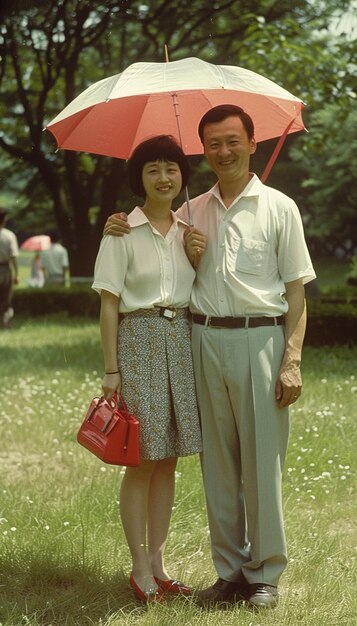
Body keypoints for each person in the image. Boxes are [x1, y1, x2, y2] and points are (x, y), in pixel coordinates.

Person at [104, 105, 316, 609]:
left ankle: (265, 572)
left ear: (252, 144)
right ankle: (229, 570)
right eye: (213, 144)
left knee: (263, 462)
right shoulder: (190, 210)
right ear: (204, 149)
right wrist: (120, 221)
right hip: (202, 341)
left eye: (232, 141)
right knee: (217, 464)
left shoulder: (280, 207)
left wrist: (291, 359)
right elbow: (149, 229)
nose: (223, 151)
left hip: (260, 340)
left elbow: (297, 292)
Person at [92, 135, 202, 603]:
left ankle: (160, 563)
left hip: (181, 344)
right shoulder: (121, 232)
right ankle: (139, 569)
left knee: (170, 458)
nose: (164, 177)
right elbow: (108, 304)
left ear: (182, 176)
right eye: (153, 168)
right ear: (139, 177)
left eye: (172, 168)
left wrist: (198, 253)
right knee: (142, 459)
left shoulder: (189, 230)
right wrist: (112, 370)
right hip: (138, 345)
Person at [0, 209, 19, 329]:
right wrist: (16, 274)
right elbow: (14, 257)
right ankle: (5, 323)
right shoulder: (9, 235)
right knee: (6, 297)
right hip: (5, 269)